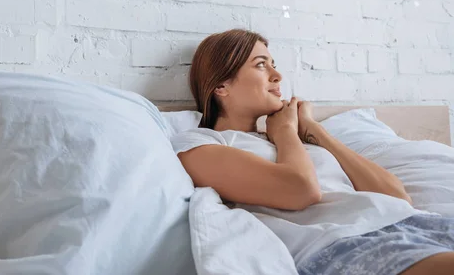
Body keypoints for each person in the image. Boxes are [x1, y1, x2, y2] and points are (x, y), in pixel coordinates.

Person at [171, 28, 454, 275]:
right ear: (221, 85)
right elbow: (301, 190)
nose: (277, 75)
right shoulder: (199, 144)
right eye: (261, 65)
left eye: (273, 64)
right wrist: (284, 132)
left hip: (412, 223)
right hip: (346, 245)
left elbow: (396, 196)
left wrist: (313, 131)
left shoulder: (292, 141)